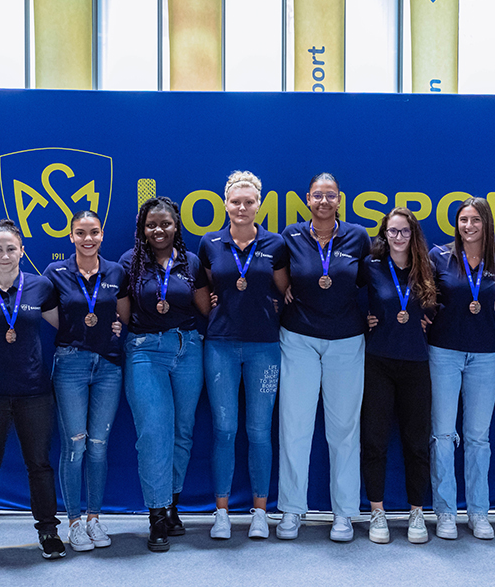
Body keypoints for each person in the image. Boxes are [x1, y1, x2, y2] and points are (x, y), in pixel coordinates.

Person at [0, 219, 65, 565]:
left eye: (11, 249)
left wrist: (109, 323)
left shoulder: (41, 287)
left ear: (22, 251)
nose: (5, 255)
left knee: (40, 464)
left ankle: (48, 531)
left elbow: (66, 325)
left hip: (34, 391)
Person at [276, 172, 371, 543]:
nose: (324, 201)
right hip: (298, 338)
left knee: (344, 430)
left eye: (331, 195)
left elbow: (374, 280)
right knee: (295, 426)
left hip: (346, 340)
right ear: (308, 199)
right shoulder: (290, 236)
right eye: (318, 195)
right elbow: (277, 276)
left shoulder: (358, 237)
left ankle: (344, 513)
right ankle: (291, 510)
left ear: (339, 200)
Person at [198, 171, 288, 539]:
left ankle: (260, 513)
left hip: (264, 347)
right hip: (220, 345)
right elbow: (205, 288)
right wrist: (217, 308)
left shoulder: (275, 243)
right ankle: (221, 513)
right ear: (225, 204)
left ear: (259, 205)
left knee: (259, 431)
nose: (242, 208)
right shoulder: (210, 243)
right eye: (236, 201)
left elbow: (284, 290)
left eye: (249, 202)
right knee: (224, 429)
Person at [120, 197, 211, 552]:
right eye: (151, 225)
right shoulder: (129, 263)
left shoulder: (191, 262)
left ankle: (171, 504)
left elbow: (205, 307)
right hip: (146, 350)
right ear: (142, 229)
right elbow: (123, 315)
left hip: (188, 348)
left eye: (165, 224)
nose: (158, 230)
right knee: (154, 433)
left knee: (182, 432)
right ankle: (156, 514)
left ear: (176, 226)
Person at [43, 210, 129, 552]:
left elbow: (123, 314)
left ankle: (94, 518)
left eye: (93, 232)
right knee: (74, 445)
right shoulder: (55, 273)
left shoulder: (116, 271)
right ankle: (74, 522)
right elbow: (49, 315)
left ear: (102, 234)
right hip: (71, 364)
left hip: (108, 365)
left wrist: (113, 326)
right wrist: (76, 331)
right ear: (71, 236)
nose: (87, 239)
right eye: (80, 233)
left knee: (98, 445)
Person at [427, 197, 495, 541]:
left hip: (484, 356)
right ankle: (446, 512)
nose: (469, 226)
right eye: (463, 220)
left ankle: (478, 512)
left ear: (486, 223)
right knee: (442, 436)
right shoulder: (439, 257)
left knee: (478, 438)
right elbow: (424, 298)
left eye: (476, 220)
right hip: (443, 353)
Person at [361, 208, 436, 545]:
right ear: (384, 234)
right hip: (378, 363)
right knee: (374, 441)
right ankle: (377, 512)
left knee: (417, 443)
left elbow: (445, 303)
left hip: (416, 364)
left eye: (404, 231)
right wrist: (363, 318)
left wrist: (431, 318)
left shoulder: (427, 267)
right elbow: (343, 297)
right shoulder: (371, 266)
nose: (398, 237)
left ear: (413, 234)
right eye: (392, 231)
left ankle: (416, 512)